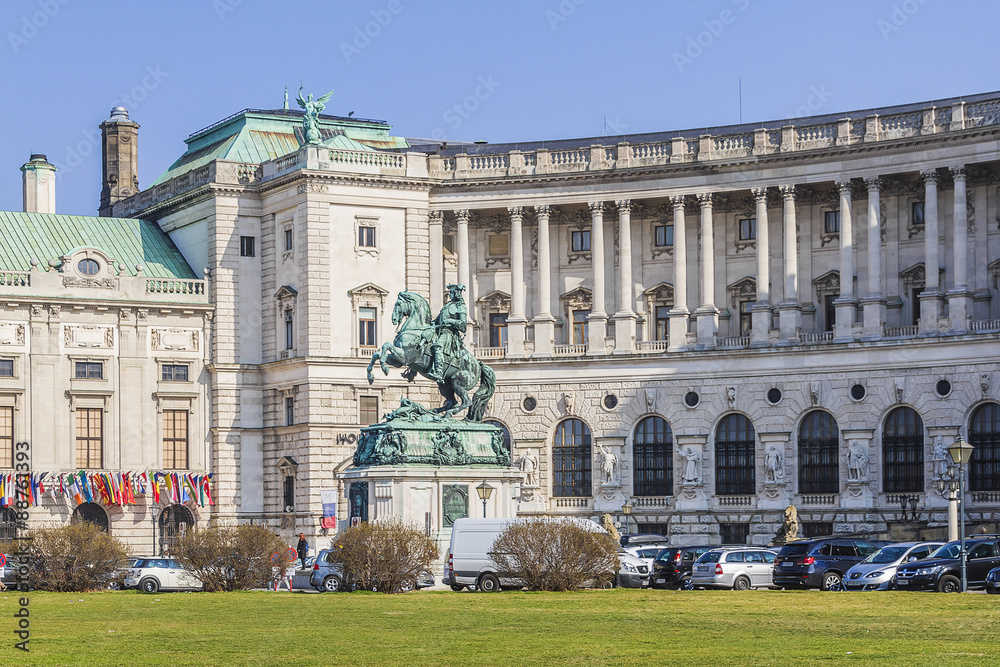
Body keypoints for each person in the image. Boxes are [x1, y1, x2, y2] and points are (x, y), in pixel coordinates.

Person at [428, 284, 468, 383]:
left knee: (437, 346)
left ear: (456, 294)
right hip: (439, 331)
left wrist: (450, 321)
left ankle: (439, 372)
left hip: (449, 334)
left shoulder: (461, 307)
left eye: (451, 292)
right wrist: (430, 324)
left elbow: (463, 326)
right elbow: (437, 320)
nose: (449, 294)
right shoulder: (447, 306)